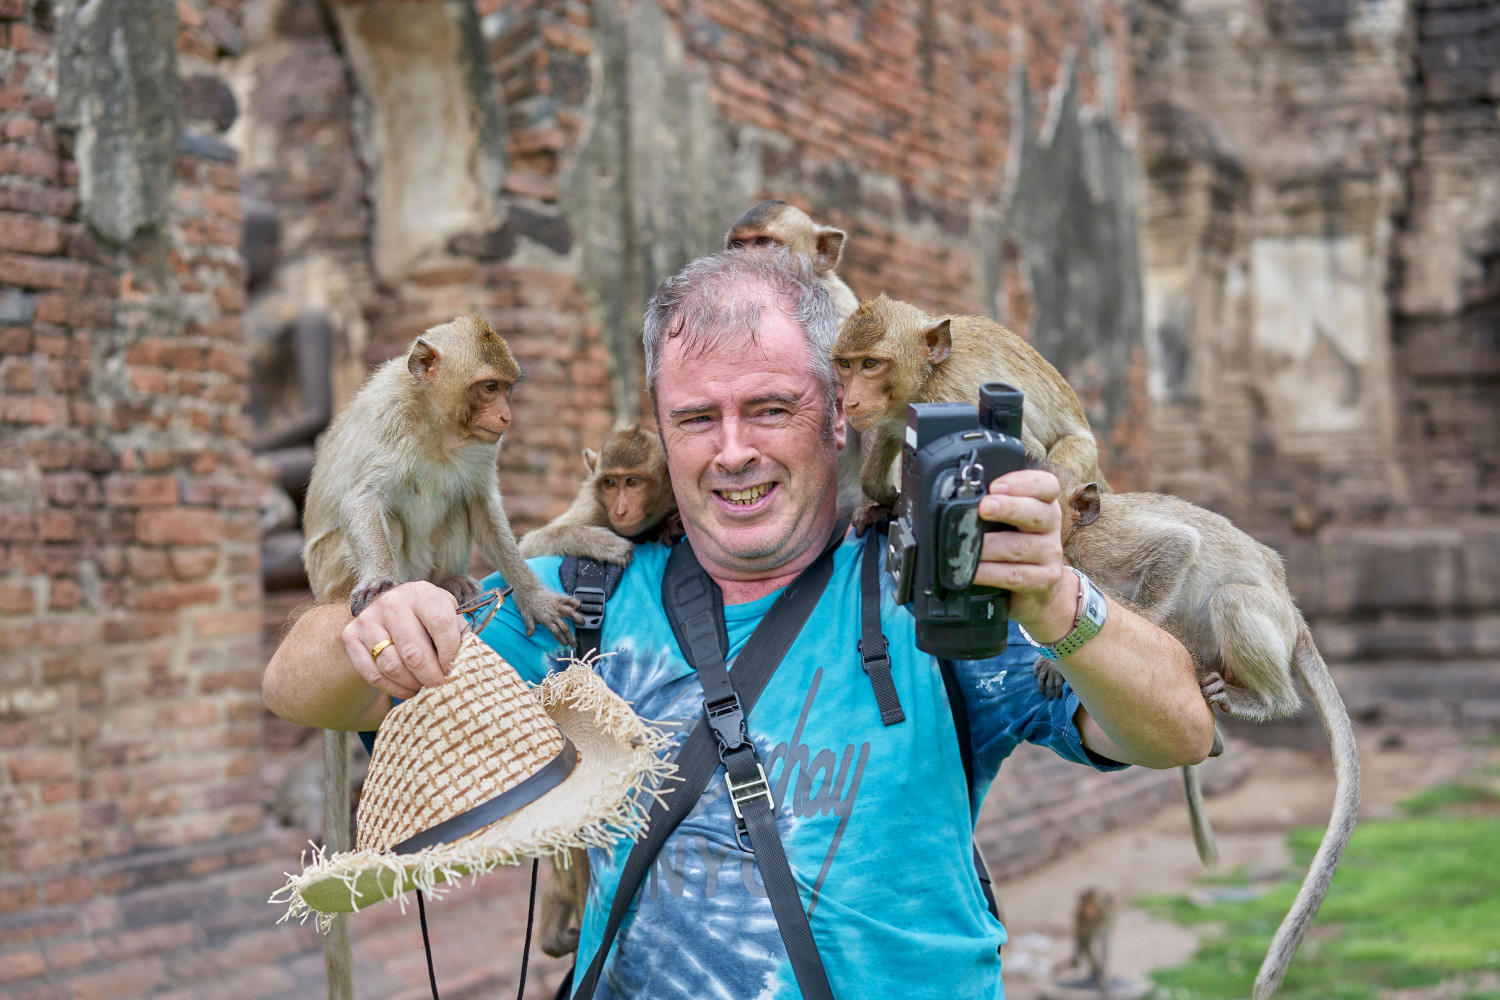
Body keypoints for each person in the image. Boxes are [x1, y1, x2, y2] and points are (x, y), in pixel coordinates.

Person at [263, 251, 1214, 999]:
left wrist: (1061, 605)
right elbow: (296, 686)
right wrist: (386, 619)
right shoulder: (583, 597)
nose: (732, 453)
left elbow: (1175, 729)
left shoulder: (931, 583)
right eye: (695, 419)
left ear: (841, 413)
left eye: (770, 408)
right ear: (659, 430)